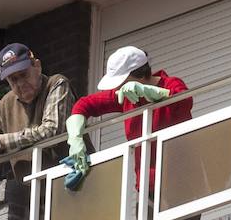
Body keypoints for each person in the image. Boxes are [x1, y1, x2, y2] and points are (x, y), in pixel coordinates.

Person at [63, 45, 193, 197]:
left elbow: (185, 100)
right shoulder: (124, 95)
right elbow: (85, 104)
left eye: (121, 81)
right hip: (147, 187)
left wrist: (151, 93)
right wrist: (75, 138)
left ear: (138, 74)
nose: (117, 87)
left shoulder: (171, 84)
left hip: (183, 181)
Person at [0, 43, 74, 183]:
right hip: (30, 193)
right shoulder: (4, 104)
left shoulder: (57, 84)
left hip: (71, 182)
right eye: (13, 79)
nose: (21, 83)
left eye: (23, 74)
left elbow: (51, 131)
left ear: (37, 67)